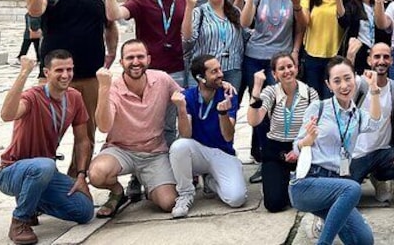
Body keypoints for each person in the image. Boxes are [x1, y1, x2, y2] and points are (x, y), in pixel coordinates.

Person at [25, 0, 118, 177]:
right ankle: (39, 178)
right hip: (53, 77)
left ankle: (76, 179)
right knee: (43, 132)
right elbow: (34, 9)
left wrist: (112, 50)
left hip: (89, 75)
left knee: (87, 133)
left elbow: (110, 24)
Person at [0, 51, 94, 244]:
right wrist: (23, 73)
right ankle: (20, 220)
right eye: (59, 70)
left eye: (69, 69)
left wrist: (81, 175)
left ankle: (32, 202)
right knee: (45, 165)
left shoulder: (74, 98)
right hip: (11, 171)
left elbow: (82, 140)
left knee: (85, 211)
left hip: (45, 174)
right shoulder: (33, 96)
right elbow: (7, 115)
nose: (65, 75)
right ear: (47, 73)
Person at [290, 57, 382, 245]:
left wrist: (374, 91)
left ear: (355, 79)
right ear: (328, 84)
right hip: (309, 182)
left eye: (348, 78)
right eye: (337, 81)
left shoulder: (357, 115)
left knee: (364, 240)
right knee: (353, 189)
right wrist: (307, 140)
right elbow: (296, 146)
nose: (344, 85)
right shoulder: (319, 108)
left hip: (338, 185)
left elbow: (375, 123)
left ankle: (326, 219)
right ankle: (323, 242)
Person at [88, 40, 183, 217]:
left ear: (148, 59)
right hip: (120, 150)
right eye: (130, 58)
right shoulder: (113, 87)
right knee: (97, 174)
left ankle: (148, 183)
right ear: (121, 62)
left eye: (140, 56)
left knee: (168, 202)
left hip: (154, 152)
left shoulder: (162, 79)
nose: (135, 62)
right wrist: (103, 88)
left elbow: (187, 97)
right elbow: (103, 126)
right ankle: (117, 192)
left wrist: (217, 87)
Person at [241, 0, 302, 183]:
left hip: (280, 61)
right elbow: (246, 22)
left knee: (281, 109)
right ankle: (265, 160)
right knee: (260, 110)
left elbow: (300, 28)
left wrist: (295, 51)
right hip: (255, 58)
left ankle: (285, 157)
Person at [169, 55, 247, 218]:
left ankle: (211, 181)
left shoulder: (228, 93)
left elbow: (228, 136)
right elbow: (186, 135)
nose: (220, 74)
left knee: (236, 199)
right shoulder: (188, 96)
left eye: (219, 69)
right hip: (197, 152)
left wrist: (223, 113)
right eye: (214, 71)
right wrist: (182, 109)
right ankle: (185, 194)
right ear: (200, 78)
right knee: (178, 146)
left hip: (222, 152)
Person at [247, 53, 319, 212]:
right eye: (281, 68)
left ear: (296, 68)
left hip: (301, 147)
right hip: (275, 149)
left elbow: (315, 128)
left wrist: (299, 150)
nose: (287, 71)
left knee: (310, 201)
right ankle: (279, 183)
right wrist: (256, 89)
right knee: (274, 204)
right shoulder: (270, 92)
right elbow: (254, 120)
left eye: (290, 66)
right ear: (274, 74)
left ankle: (288, 183)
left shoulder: (310, 94)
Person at [348, 42, 394, 202]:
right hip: (355, 154)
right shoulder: (359, 83)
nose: (381, 61)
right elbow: (342, 78)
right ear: (369, 60)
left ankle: (379, 179)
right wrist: (350, 56)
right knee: (349, 196)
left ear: (391, 61)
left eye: (386, 57)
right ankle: (358, 177)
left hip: (381, 151)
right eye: (377, 57)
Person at [183, 0, 245, 90]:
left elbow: (244, 36)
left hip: (232, 70)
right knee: (201, 107)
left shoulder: (235, 12)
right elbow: (187, 38)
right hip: (204, 70)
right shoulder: (198, 12)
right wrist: (189, 8)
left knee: (228, 106)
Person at [299, 0, 349, 98]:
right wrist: (296, 5)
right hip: (312, 54)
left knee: (331, 98)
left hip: (335, 55)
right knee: (313, 98)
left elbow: (345, 21)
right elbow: (305, 21)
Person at [340, 0, 377, 75]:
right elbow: (343, 21)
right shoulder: (351, 5)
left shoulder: (379, 4)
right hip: (359, 51)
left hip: (377, 53)